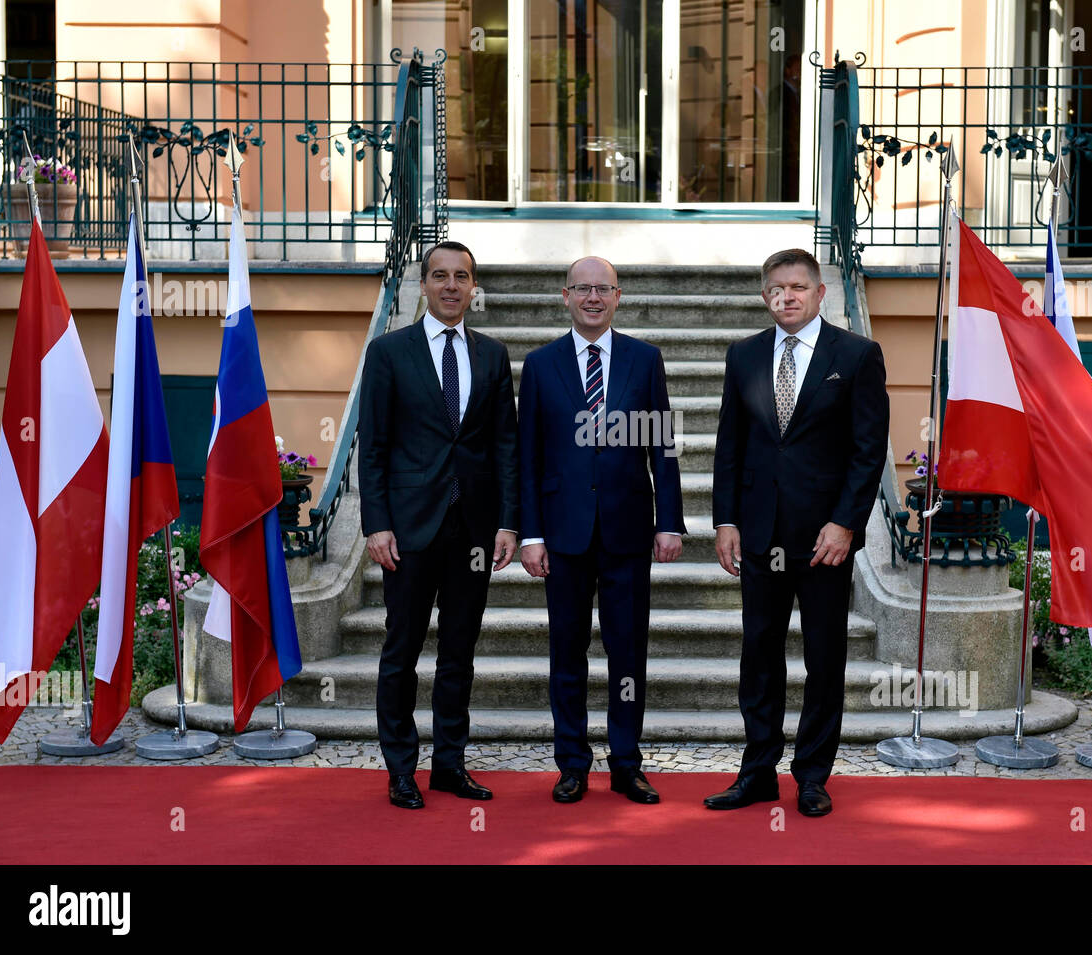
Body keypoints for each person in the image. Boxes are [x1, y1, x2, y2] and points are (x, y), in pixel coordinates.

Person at [706, 248, 888, 817]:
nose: (786, 297)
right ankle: (757, 771)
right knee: (758, 654)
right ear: (765, 297)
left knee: (823, 656)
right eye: (775, 289)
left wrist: (846, 523)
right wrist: (726, 520)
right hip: (759, 534)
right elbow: (729, 445)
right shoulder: (744, 356)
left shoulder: (856, 355)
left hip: (823, 540)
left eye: (797, 287)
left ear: (819, 293)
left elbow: (868, 450)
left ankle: (812, 775)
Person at [518, 256, 686, 805]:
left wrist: (670, 522)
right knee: (567, 654)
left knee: (627, 654)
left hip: (628, 533)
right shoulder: (541, 365)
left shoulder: (645, 359)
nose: (593, 297)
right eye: (582, 289)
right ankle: (571, 763)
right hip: (562, 535)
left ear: (618, 296)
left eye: (603, 289)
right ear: (564, 296)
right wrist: (530, 533)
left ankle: (626, 763)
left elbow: (663, 446)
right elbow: (528, 456)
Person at [358, 240, 519, 810]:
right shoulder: (388, 352)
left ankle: (449, 764)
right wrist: (376, 524)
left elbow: (506, 447)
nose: (451, 286)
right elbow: (371, 447)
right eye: (440, 276)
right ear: (424, 285)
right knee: (401, 650)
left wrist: (507, 523)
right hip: (407, 529)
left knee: (459, 651)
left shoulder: (494, 356)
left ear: (473, 288)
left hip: (473, 531)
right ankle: (401, 768)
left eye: (462, 277)